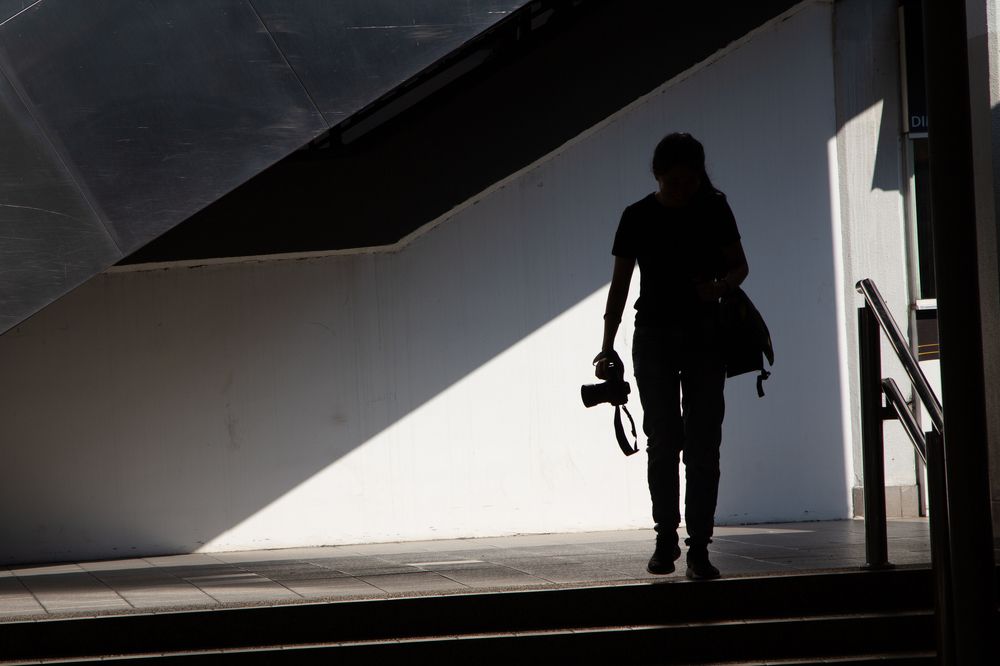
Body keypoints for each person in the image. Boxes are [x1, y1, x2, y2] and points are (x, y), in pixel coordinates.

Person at [595, 132, 748, 580]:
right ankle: (671, 539)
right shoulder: (639, 216)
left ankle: (693, 545)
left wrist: (719, 287)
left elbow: (739, 265)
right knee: (669, 441)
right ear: (658, 175)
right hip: (662, 336)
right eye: (674, 180)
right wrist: (606, 346)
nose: (683, 188)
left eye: (690, 179)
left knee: (697, 443)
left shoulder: (711, 207)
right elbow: (619, 287)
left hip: (695, 334)